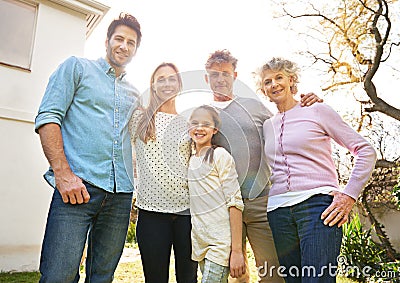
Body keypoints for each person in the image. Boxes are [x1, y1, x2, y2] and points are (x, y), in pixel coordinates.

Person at [34, 13, 142, 282]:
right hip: (77, 188)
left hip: (119, 196)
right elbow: (48, 118)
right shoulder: (77, 68)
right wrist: (63, 174)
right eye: (119, 38)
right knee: (59, 275)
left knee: (102, 277)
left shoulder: (134, 93)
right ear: (107, 41)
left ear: (136, 50)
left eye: (131, 42)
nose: (124, 46)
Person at [204, 49, 321, 283]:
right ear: (206, 78)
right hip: (225, 206)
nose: (220, 79)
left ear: (234, 76)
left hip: (262, 203)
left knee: (273, 275)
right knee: (236, 275)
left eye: (225, 74)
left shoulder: (254, 107)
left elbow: (286, 120)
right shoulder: (204, 116)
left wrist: (308, 103)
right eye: (214, 74)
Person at [256, 57, 377, 282]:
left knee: (317, 279)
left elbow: (365, 151)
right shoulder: (267, 125)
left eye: (279, 77)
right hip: (278, 211)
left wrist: (349, 195)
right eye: (268, 81)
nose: (274, 84)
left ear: (292, 80)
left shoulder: (317, 110)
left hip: (317, 207)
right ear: (263, 89)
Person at [129, 62, 198, 283]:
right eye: (161, 79)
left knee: (188, 279)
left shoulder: (188, 123)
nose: (167, 83)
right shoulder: (139, 119)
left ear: (179, 84)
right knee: (155, 279)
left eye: (172, 78)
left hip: (186, 215)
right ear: (153, 85)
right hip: (151, 214)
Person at [188, 105, 246, 283]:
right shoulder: (191, 159)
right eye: (194, 123)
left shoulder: (220, 155)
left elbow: (235, 203)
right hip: (200, 242)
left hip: (220, 243)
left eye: (206, 124)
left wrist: (236, 250)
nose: (199, 128)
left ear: (215, 129)